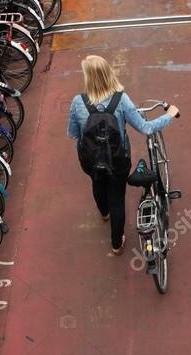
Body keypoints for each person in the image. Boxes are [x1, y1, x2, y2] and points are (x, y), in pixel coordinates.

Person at [67, 55, 179, 255]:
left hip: (90, 160)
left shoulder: (78, 102)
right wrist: (169, 115)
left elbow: (73, 134)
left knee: (97, 184)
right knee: (117, 197)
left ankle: (104, 212)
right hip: (118, 160)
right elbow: (145, 128)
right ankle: (116, 243)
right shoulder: (121, 100)